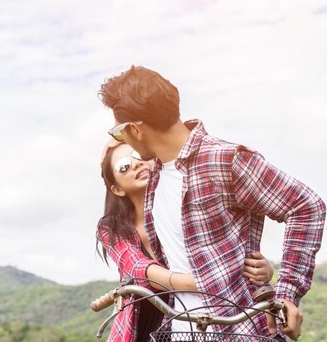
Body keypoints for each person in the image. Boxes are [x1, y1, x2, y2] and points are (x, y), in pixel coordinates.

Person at [98, 65, 326, 340]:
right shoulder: (156, 173)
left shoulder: (225, 160)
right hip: (182, 332)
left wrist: (287, 293)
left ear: (136, 129)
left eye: (123, 134)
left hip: (240, 332)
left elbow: (306, 206)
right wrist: (116, 140)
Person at [97, 140, 273, 342]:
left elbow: (224, 243)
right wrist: (207, 281)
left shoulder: (181, 201)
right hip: (146, 323)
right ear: (117, 188)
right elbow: (138, 268)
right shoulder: (112, 228)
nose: (136, 164)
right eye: (124, 167)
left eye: (137, 156)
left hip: (208, 314)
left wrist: (261, 269)